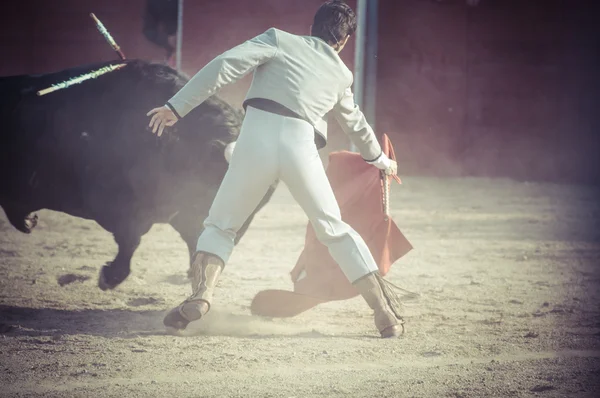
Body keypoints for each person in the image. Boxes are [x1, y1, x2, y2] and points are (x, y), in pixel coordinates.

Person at [147, 0, 404, 338]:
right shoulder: (343, 74)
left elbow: (225, 65)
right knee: (334, 229)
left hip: (254, 141)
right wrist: (381, 161)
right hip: (301, 148)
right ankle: (384, 313)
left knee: (221, 225)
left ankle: (202, 295)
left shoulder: (278, 39)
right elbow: (355, 123)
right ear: (344, 41)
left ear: (312, 28)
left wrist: (176, 107)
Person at [142, 0, 179, 66]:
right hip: (174, 52)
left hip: (196, 49)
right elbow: (149, 30)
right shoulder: (157, 2)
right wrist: (167, 39)